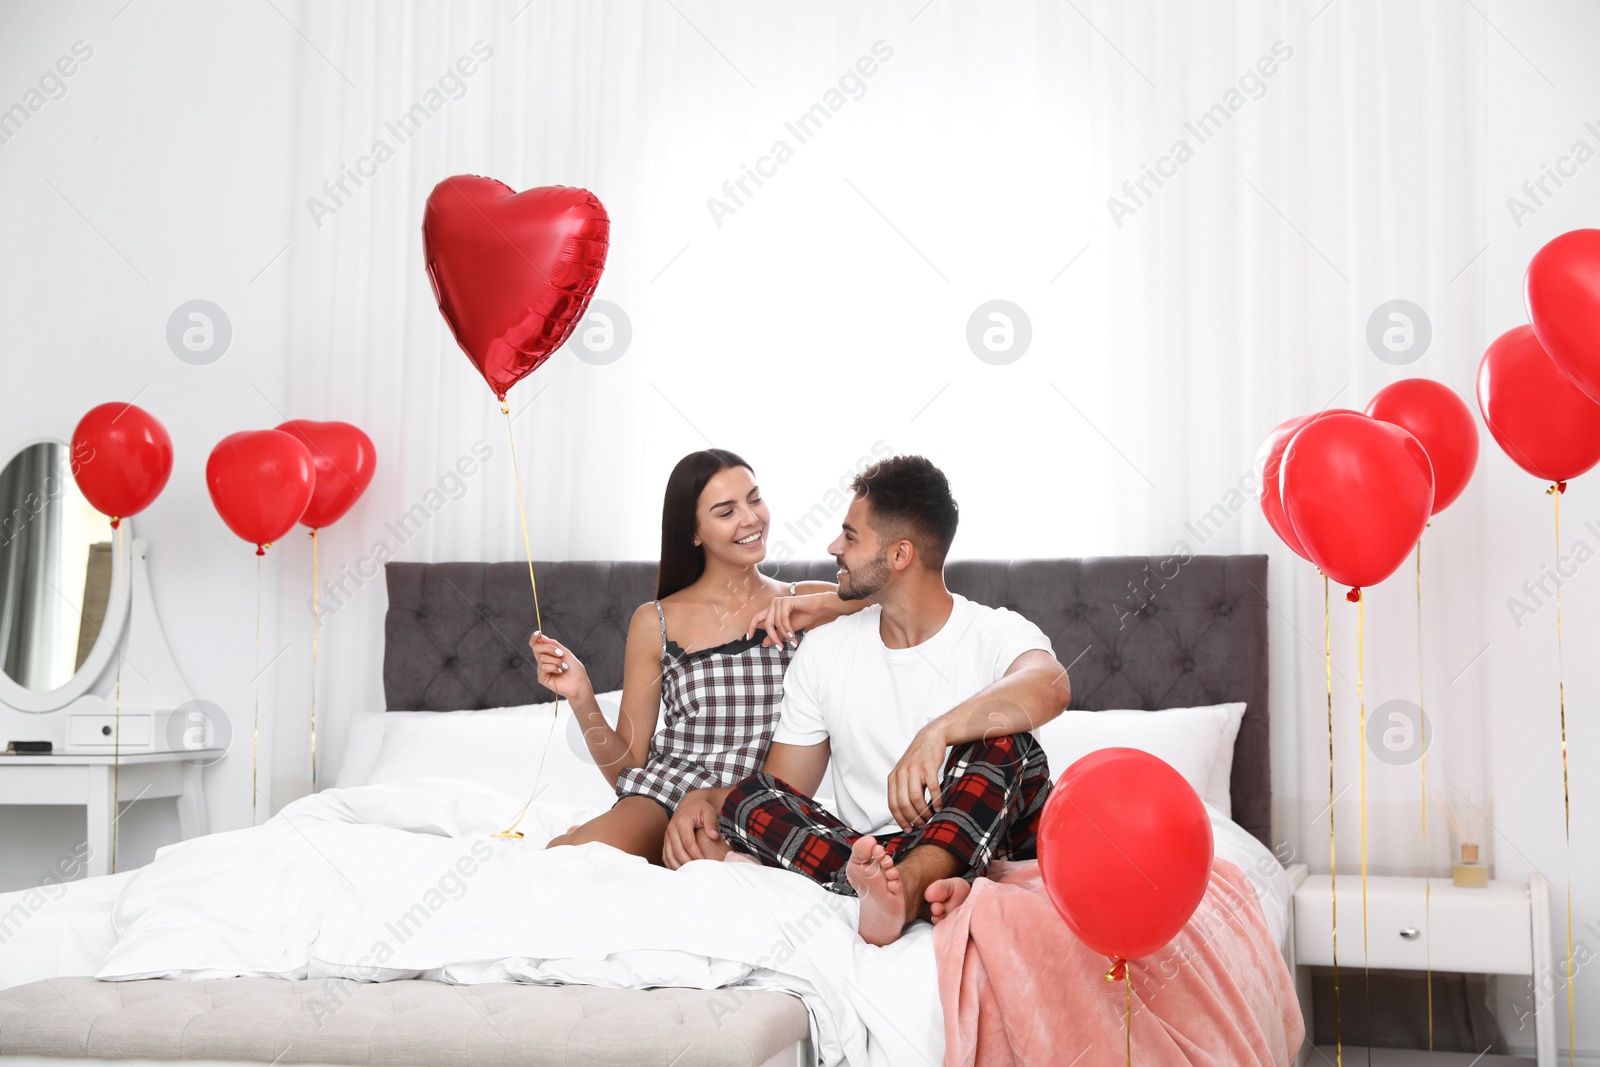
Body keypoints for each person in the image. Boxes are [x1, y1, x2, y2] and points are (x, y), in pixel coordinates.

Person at [662, 455, 1072, 946]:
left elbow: (1050, 684)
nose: (834, 547)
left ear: (900, 556)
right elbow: (784, 788)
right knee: (747, 799)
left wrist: (936, 734)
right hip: (867, 851)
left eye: (850, 537)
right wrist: (710, 800)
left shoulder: (993, 630)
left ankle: (909, 887)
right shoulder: (826, 649)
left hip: (988, 832)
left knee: (1009, 743)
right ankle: (902, 885)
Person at [528, 448, 866, 865]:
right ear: (694, 533)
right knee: (568, 865)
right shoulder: (656, 621)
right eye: (726, 512)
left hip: (752, 809)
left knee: (714, 883)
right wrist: (582, 696)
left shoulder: (806, 602)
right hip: (667, 793)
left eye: (754, 499)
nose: (751, 519)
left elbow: (895, 604)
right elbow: (629, 766)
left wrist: (822, 605)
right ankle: (598, 836)